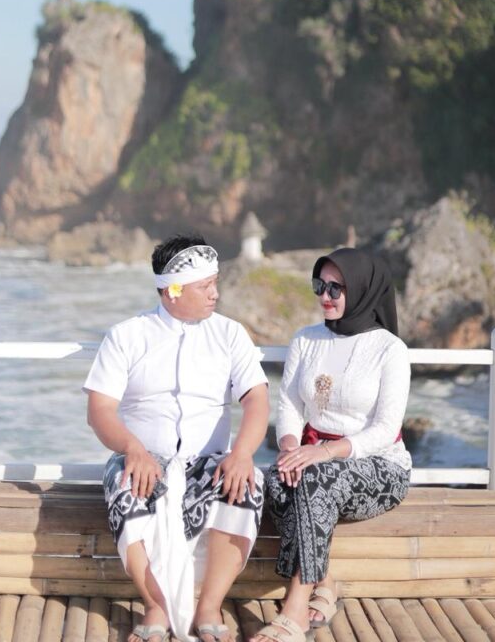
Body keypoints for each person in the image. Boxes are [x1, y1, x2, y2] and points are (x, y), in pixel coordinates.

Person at [84, 234, 270, 642]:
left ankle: (209, 606)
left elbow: (257, 399)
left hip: (209, 461)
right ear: (172, 291)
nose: (215, 294)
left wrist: (242, 454)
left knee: (249, 483)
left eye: (215, 283)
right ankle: (156, 606)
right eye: (205, 287)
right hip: (143, 457)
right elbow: (99, 410)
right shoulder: (127, 335)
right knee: (126, 484)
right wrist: (133, 449)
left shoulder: (230, 334)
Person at [253, 248, 411, 642]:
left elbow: (385, 429)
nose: (325, 296)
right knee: (277, 481)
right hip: (313, 456)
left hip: (380, 466)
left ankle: (294, 609)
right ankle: (324, 583)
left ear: (361, 289)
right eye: (319, 285)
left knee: (313, 481)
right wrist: (290, 448)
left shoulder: (389, 349)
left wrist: (323, 453)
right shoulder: (306, 339)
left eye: (335, 288)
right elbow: (290, 405)